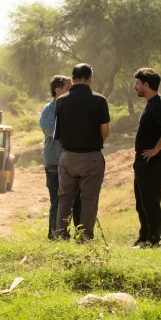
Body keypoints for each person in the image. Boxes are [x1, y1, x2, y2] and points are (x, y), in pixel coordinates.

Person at [54, 63, 110, 241]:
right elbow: (105, 130)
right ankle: (85, 237)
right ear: (90, 78)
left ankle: (61, 234)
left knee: (65, 199)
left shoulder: (61, 101)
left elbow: (58, 132)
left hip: (68, 156)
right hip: (91, 157)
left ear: (72, 79)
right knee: (89, 199)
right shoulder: (100, 100)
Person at [131, 68, 161, 249]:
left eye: (137, 83)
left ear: (146, 85)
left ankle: (153, 239)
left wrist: (156, 149)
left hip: (152, 162)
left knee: (150, 201)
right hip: (144, 162)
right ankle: (144, 237)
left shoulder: (159, 104)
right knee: (141, 202)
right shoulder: (151, 103)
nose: (135, 86)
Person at [39, 75, 82, 240]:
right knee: (57, 203)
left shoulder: (72, 108)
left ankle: (74, 236)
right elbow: (54, 133)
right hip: (55, 165)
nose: (71, 91)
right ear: (58, 90)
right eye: (68, 87)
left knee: (76, 203)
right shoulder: (48, 111)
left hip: (72, 163)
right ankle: (55, 236)